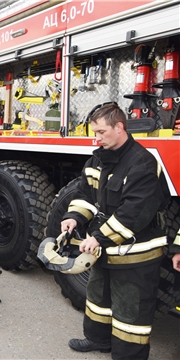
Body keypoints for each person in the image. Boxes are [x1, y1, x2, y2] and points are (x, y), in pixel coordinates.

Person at [60, 103, 170, 360]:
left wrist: (98, 238)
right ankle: (98, 340)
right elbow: (85, 194)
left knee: (130, 313)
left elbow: (134, 214)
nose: (95, 138)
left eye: (100, 132)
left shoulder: (142, 163)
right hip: (105, 249)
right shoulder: (99, 158)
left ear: (119, 127)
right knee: (99, 297)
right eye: (94, 132)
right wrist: (73, 218)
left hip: (135, 255)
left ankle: (128, 356)